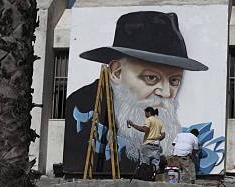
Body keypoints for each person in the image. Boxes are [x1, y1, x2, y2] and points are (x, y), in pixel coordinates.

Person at [63, 11, 208, 174]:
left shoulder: (155, 120)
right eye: (151, 77)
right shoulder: (82, 104)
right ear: (117, 72)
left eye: (174, 80)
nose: (167, 92)